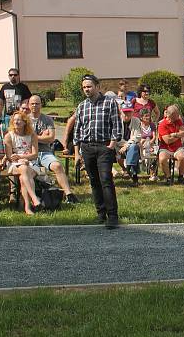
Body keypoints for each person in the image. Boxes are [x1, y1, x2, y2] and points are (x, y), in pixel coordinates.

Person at [74, 75, 122, 228]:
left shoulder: (109, 102)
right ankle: (100, 213)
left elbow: (117, 124)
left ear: (97, 86)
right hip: (87, 147)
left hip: (104, 147)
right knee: (94, 182)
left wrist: (112, 144)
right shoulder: (82, 106)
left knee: (106, 180)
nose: (86, 89)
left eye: (89, 86)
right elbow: (77, 130)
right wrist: (77, 151)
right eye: (84, 87)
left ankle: (112, 216)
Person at [28, 94, 78, 203]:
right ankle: (34, 199)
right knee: (30, 172)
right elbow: (24, 139)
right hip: (30, 153)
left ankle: (69, 194)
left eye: (37, 103)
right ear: (28, 105)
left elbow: (51, 139)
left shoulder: (47, 119)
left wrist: (34, 137)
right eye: (32, 103)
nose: (34, 106)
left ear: (41, 105)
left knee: (58, 166)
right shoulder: (25, 120)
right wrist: (41, 136)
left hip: (45, 152)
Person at [3, 112, 43, 215]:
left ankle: (27, 207)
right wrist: (19, 160)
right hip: (14, 164)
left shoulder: (32, 135)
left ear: (25, 122)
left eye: (19, 120)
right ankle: (34, 198)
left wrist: (23, 158)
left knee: (23, 177)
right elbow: (9, 156)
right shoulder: (9, 136)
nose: (16, 122)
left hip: (30, 162)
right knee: (24, 169)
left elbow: (35, 155)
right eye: (14, 120)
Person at [158, 105, 184, 184]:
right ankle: (168, 178)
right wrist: (179, 135)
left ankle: (180, 177)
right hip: (165, 148)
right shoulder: (162, 125)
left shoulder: (178, 120)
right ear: (169, 115)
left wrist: (174, 134)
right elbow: (167, 141)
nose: (178, 116)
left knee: (183, 156)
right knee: (162, 159)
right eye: (175, 115)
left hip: (177, 147)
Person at [117, 106, 142, 186]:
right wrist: (126, 145)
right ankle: (134, 176)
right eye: (125, 113)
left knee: (133, 147)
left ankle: (128, 169)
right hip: (118, 146)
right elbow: (116, 137)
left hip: (130, 146)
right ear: (121, 112)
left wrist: (126, 146)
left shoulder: (136, 120)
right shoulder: (116, 121)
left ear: (132, 113)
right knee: (133, 147)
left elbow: (137, 136)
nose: (127, 115)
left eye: (129, 112)